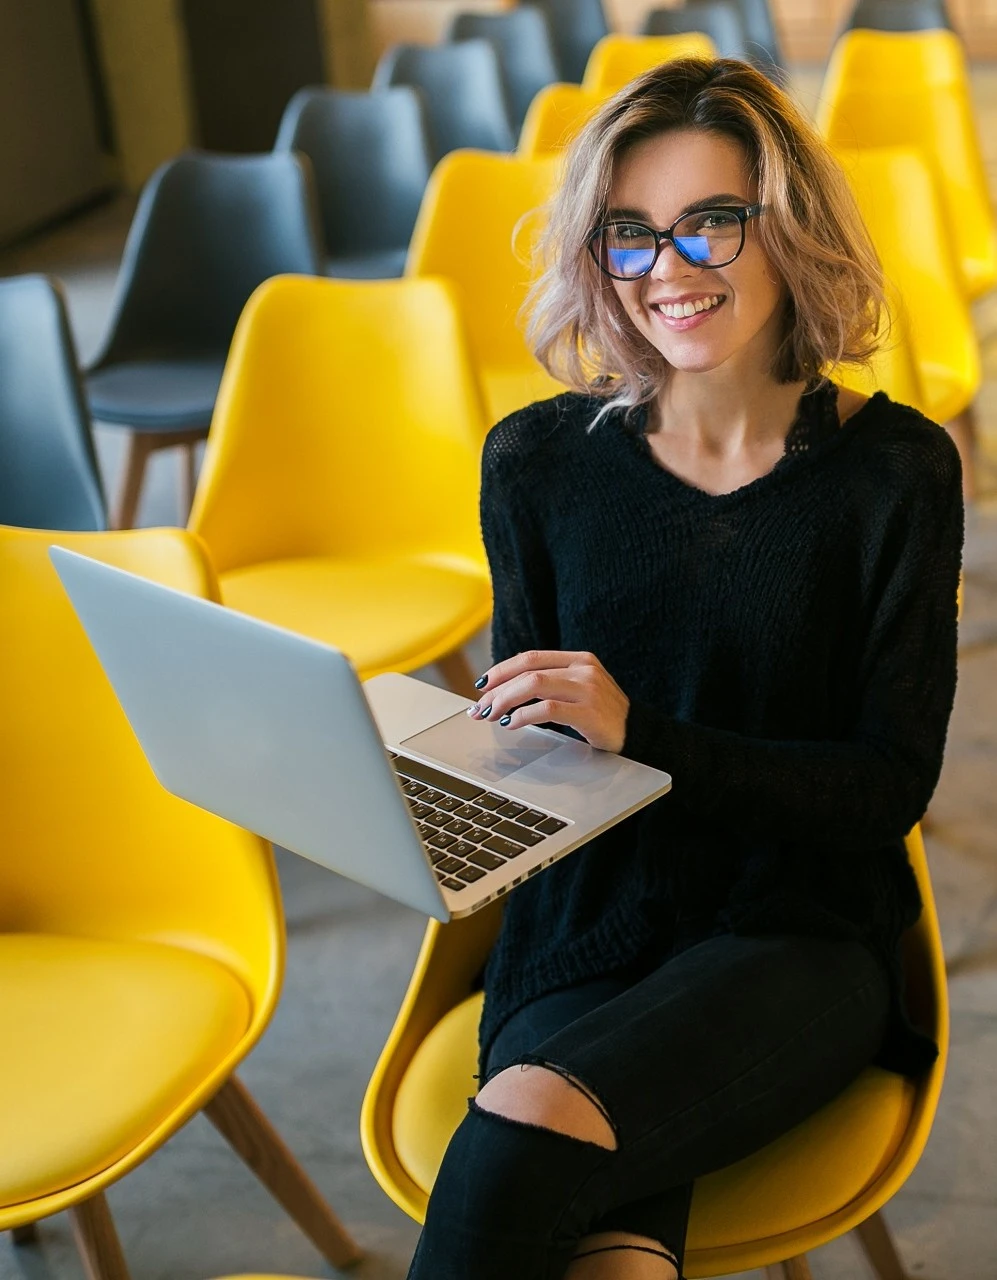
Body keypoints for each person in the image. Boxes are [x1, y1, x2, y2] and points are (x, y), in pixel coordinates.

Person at [406, 58, 963, 1280]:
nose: (669, 271)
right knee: (610, 1261)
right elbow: (546, 746)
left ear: (790, 232)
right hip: (591, 920)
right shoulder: (536, 462)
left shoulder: (894, 473)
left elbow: (882, 790)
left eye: (712, 222)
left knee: (523, 1124)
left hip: (797, 931)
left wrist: (640, 730)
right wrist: (418, 791)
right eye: (630, 235)